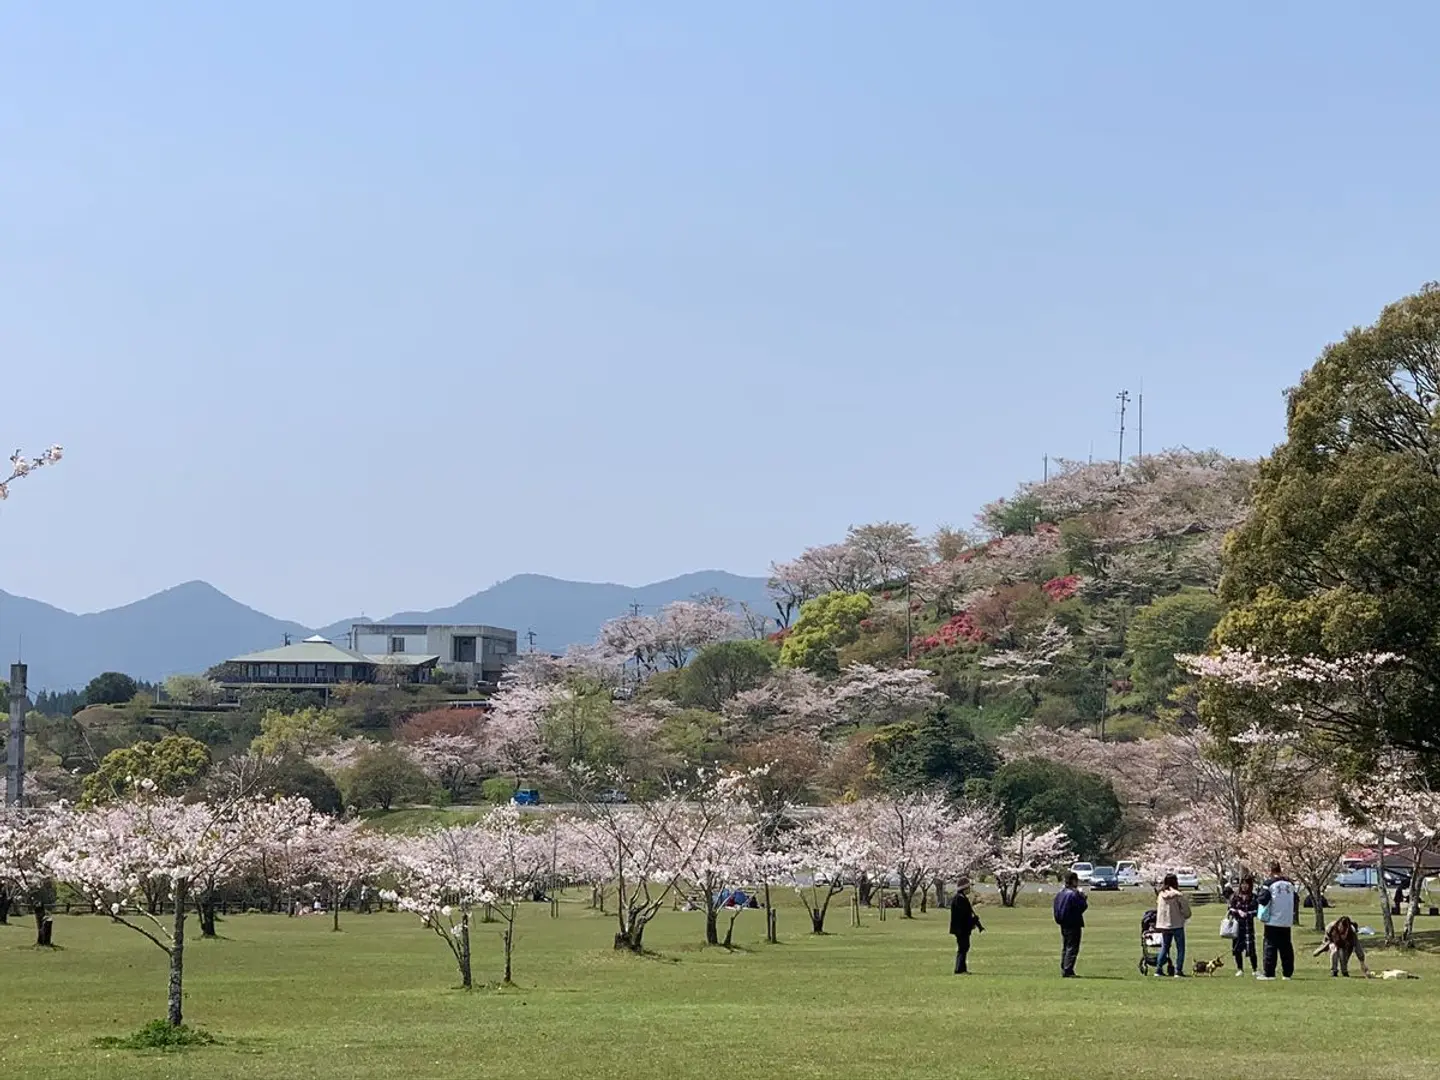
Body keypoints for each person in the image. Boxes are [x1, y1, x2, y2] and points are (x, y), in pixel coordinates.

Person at [1256, 861, 1298, 980]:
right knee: (1286, 948)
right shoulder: (1290, 884)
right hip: (1286, 921)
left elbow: (1263, 899)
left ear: (1270, 870)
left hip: (1273, 921)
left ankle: (1269, 973)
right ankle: (1287, 974)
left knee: (1270, 946)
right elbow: (1296, 899)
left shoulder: (1269, 884)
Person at [1153, 873, 1193, 977]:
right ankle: (1178, 970)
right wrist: (1185, 916)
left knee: (1165, 947)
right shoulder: (1178, 895)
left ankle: (1158, 968)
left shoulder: (1161, 895)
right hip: (1177, 924)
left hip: (1164, 925)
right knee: (1180, 948)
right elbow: (1186, 910)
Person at [1053, 871, 1088, 978]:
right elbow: (1081, 907)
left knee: (1066, 946)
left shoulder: (1060, 893)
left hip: (1063, 923)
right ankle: (1068, 970)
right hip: (1073, 923)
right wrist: (1083, 898)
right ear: (1073, 881)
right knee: (1072, 947)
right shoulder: (1074, 894)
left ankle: (1064, 967)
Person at [948, 876, 984, 974]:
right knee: (963, 947)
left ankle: (962, 968)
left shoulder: (962, 898)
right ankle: (959, 969)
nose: (969, 889)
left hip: (963, 928)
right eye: (968, 887)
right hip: (961, 929)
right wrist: (973, 921)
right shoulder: (959, 899)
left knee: (964, 947)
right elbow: (964, 915)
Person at [1227, 875, 1259, 976]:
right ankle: (1240, 969)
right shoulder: (1235, 896)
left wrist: (1248, 914)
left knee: (1251, 949)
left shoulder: (1253, 897)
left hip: (1248, 926)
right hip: (1237, 926)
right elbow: (1230, 909)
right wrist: (1238, 911)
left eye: (1247, 884)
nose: (1244, 886)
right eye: (1243, 883)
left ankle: (1255, 969)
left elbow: (1257, 911)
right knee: (1237, 948)